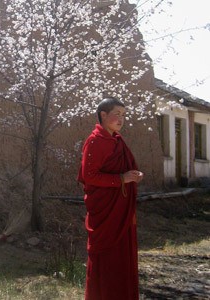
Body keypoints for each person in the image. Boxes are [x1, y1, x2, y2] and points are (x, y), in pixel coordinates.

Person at [78, 97, 144, 300]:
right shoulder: (95, 141)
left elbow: (122, 171)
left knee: (122, 257)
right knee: (107, 259)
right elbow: (89, 176)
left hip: (121, 211)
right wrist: (121, 179)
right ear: (103, 115)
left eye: (124, 115)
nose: (121, 119)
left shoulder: (117, 140)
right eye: (117, 114)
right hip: (106, 213)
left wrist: (133, 175)